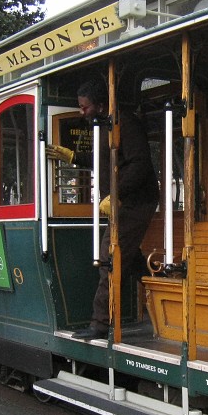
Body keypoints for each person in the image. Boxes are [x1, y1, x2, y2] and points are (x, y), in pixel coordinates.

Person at [72, 80, 160, 340]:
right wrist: (73, 157)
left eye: (85, 107)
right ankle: (164, 299)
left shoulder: (126, 123)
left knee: (109, 257)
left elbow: (140, 164)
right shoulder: (105, 125)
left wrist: (116, 194)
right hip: (123, 202)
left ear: (100, 105)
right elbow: (104, 159)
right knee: (130, 259)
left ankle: (100, 324)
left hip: (136, 202)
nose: (82, 112)